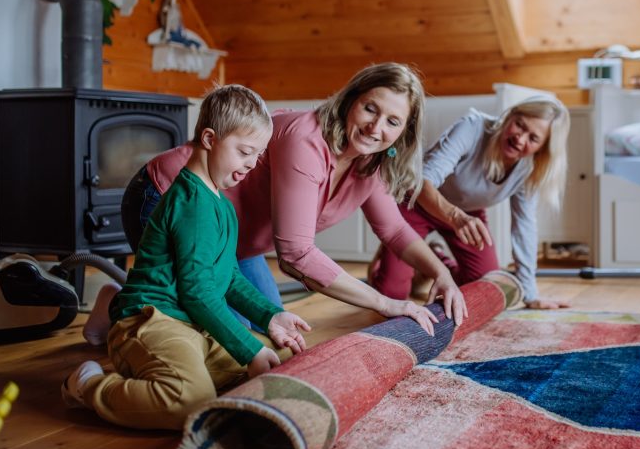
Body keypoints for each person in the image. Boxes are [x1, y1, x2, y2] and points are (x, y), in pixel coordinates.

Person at [85, 63, 466, 345]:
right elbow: (296, 254)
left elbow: (395, 230)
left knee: (266, 325)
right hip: (169, 199)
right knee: (212, 329)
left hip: (234, 239)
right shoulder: (305, 139)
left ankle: (120, 298)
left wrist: (442, 274)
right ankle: (127, 303)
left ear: (404, 130)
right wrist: (387, 303)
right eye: (370, 109)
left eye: (393, 121)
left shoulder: (374, 161)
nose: (376, 127)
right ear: (350, 100)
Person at [62, 84, 311, 430]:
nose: (252, 165)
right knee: (189, 402)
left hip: (192, 325)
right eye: (245, 152)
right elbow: (198, 293)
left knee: (282, 354)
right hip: (152, 321)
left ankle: (178, 375)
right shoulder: (192, 204)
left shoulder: (221, 203)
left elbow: (229, 277)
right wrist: (248, 352)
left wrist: (270, 317)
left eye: (258, 155)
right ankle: (90, 385)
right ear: (210, 139)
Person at [370, 97, 571, 309]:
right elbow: (424, 180)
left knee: (484, 287)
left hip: (467, 216)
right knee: (392, 295)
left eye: (533, 138)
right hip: (418, 203)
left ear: (542, 148)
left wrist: (530, 294)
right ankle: (383, 266)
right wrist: (456, 217)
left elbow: (524, 226)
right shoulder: (473, 127)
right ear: (510, 115)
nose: (520, 139)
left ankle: (431, 261)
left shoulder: (529, 169)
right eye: (519, 125)